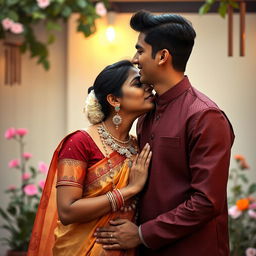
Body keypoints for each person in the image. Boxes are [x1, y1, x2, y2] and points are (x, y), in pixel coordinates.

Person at [95, 11, 235, 256]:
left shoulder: (204, 116)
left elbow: (206, 201)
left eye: (140, 50)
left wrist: (141, 234)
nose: (135, 59)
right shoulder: (146, 115)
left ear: (162, 56)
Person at [27, 60, 154, 256]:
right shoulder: (80, 142)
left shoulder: (138, 147)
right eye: (137, 84)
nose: (148, 87)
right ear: (114, 100)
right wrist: (130, 190)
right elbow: (67, 211)